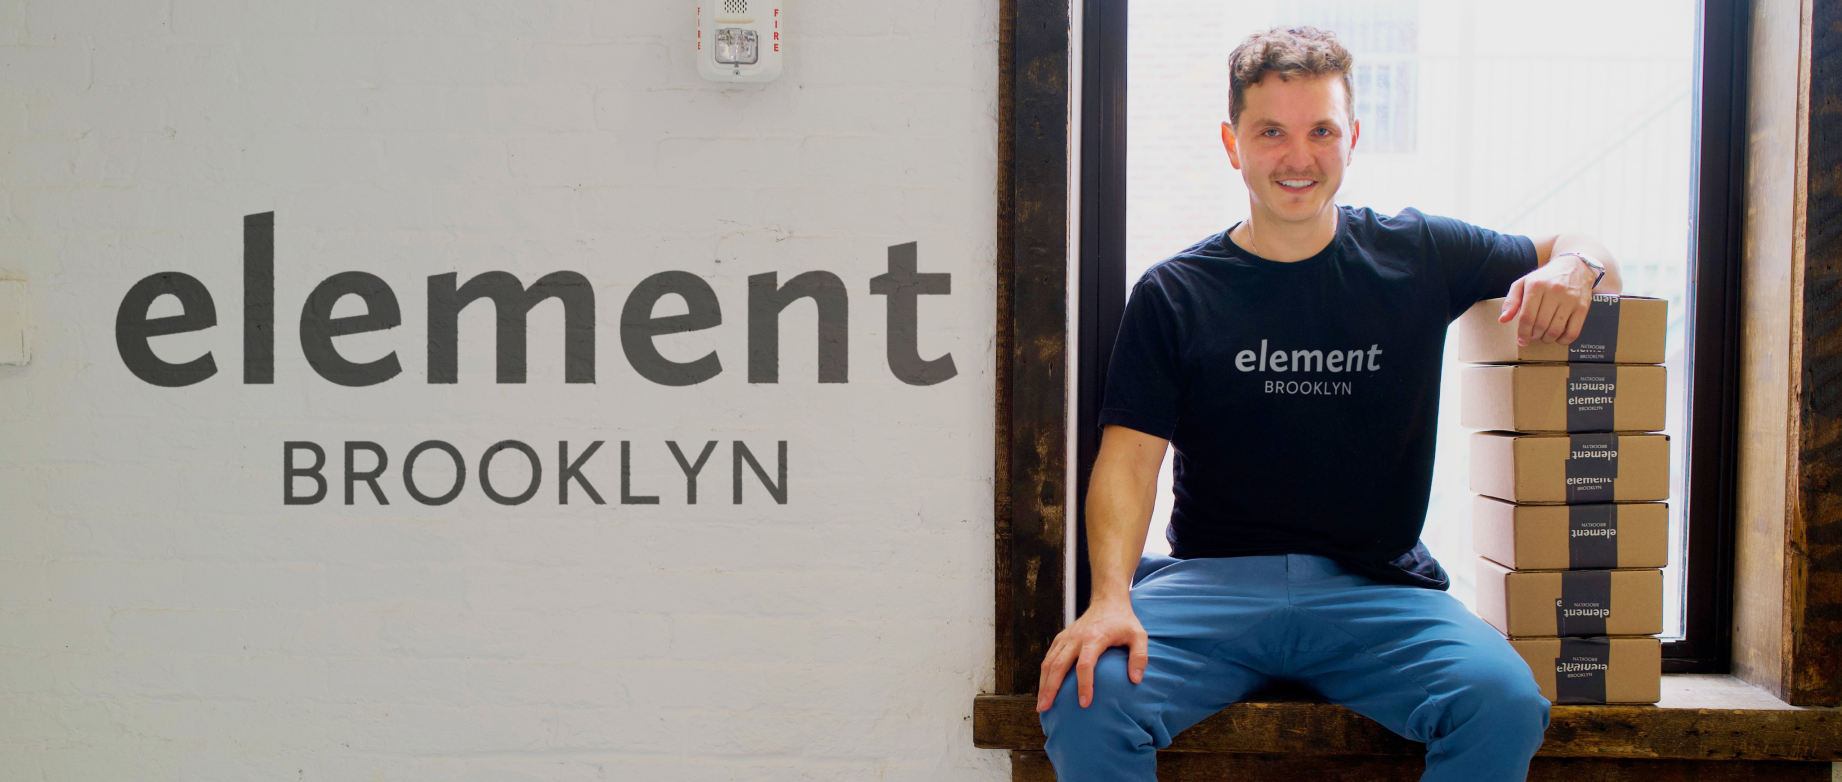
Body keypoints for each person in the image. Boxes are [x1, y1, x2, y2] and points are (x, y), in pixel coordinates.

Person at [1034, 26, 1622, 782]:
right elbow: (1129, 460)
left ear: (1353, 137)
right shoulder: (1173, 293)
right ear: (1231, 142)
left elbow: (1581, 241)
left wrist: (1579, 264)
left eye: (1320, 131)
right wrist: (1110, 597)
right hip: (1213, 587)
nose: (1298, 158)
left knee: (1502, 700)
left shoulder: (1419, 254)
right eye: (1270, 132)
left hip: (1375, 589)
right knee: (1086, 704)